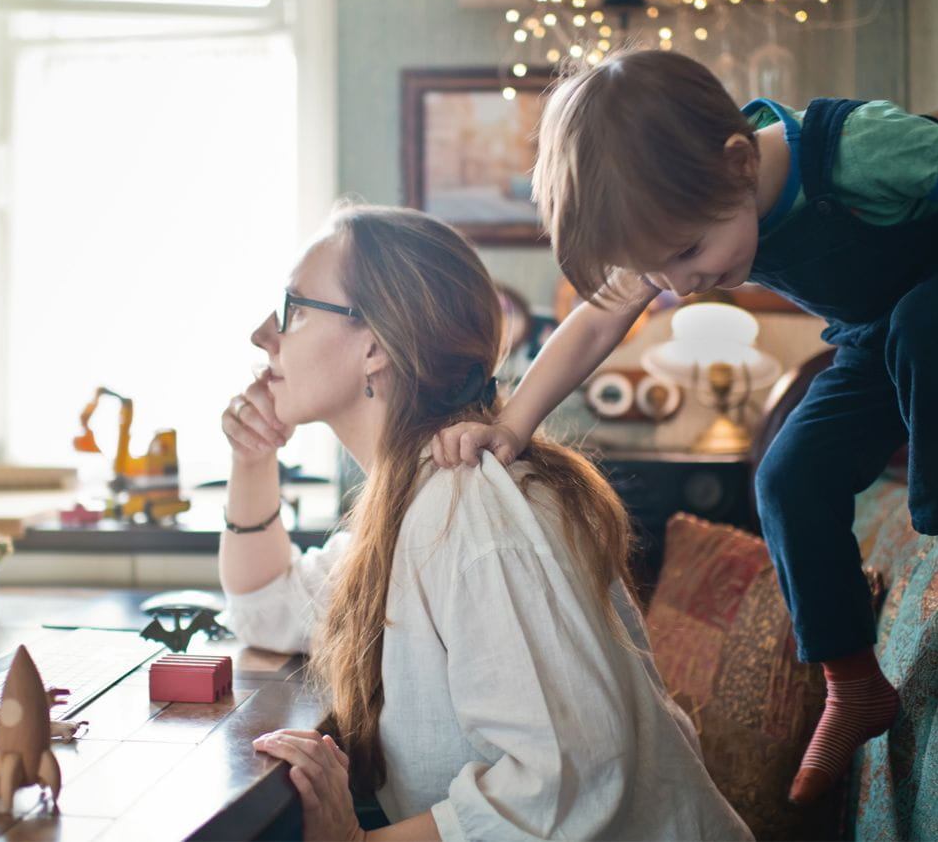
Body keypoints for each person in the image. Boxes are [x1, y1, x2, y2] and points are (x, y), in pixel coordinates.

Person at [433, 49, 938, 805]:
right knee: (785, 478)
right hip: (875, 336)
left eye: (685, 257)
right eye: (656, 273)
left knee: (917, 318)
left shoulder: (857, 149)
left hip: (926, 315)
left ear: (740, 164)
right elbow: (596, 321)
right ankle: (853, 682)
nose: (675, 287)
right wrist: (512, 424)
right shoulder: (683, 207)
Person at [219, 203, 752, 841]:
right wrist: (252, 459)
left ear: (375, 347)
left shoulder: (467, 510)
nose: (262, 334)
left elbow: (568, 775)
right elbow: (264, 610)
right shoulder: (412, 499)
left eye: (295, 308)